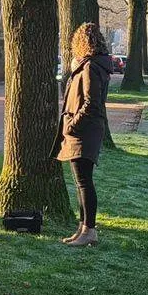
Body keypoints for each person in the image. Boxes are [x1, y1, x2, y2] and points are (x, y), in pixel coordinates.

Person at [58, 23, 113, 247]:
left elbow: (91, 103)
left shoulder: (91, 66)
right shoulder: (93, 64)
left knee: (84, 182)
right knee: (82, 182)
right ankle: (83, 228)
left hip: (84, 131)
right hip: (86, 129)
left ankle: (89, 230)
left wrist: (72, 125)